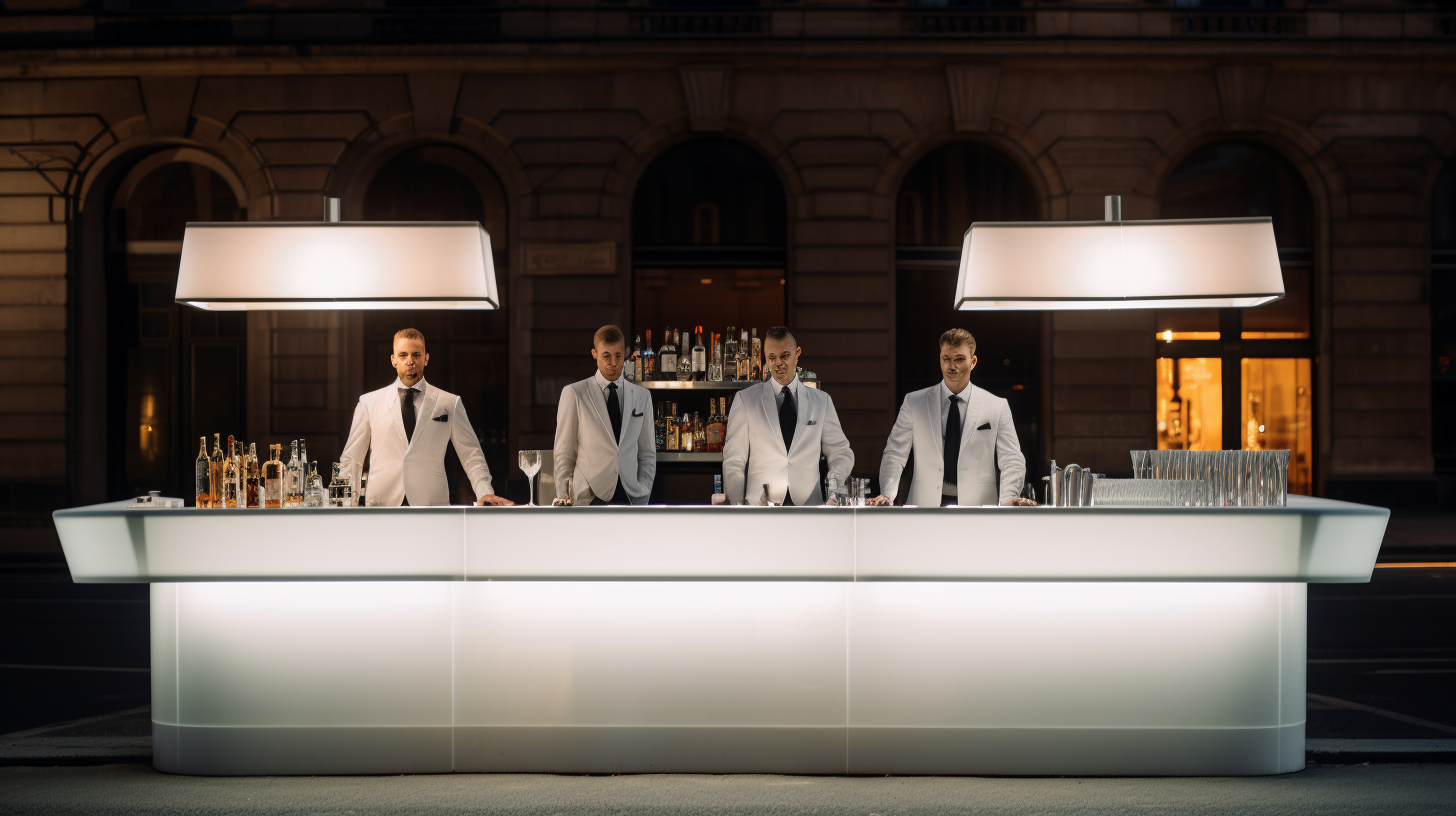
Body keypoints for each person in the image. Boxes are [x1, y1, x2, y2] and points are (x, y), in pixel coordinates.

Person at [340, 328, 512, 507]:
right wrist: (345, 504)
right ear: (393, 360)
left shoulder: (449, 402)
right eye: (403, 355)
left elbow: (471, 454)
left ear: (426, 358)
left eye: (416, 355)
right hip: (382, 504)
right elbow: (352, 459)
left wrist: (485, 492)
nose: (410, 361)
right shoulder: (369, 402)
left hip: (431, 504)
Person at [872, 328, 1031, 507]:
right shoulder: (914, 402)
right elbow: (895, 453)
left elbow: (1011, 459)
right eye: (946, 359)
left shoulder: (996, 406)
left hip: (978, 508)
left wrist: (1008, 500)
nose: (951, 366)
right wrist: (887, 494)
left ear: (973, 361)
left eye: (959, 359)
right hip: (924, 506)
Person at [722, 326, 853, 505]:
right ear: (765, 357)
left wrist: (834, 485)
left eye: (784, 356)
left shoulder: (821, 401)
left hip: (810, 506)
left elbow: (841, 452)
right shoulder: (745, 400)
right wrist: (735, 508)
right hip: (761, 507)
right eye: (772, 358)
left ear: (797, 353)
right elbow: (734, 460)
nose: (778, 364)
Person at [553, 325, 656, 505]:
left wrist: (644, 489)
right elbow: (564, 452)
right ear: (594, 353)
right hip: (589, 496)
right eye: (606, 356)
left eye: (618, 355)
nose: (613, 363)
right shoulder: (575, 393)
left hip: (631, 495)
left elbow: (647, 453)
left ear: (624, 352)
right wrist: (563, 497)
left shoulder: (642, 396)